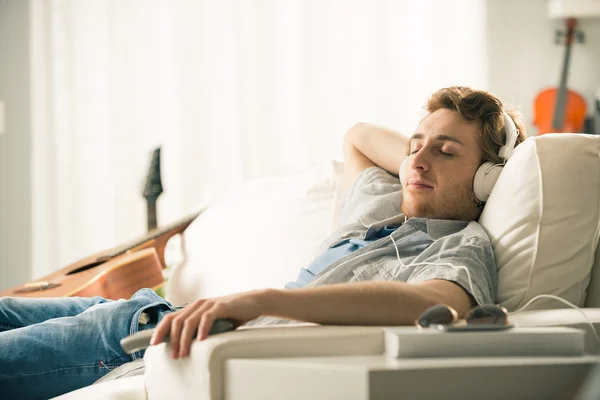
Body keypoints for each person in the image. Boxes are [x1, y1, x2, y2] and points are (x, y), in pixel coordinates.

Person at [0, 86, 526, 398]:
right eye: (415, 145)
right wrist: (426, 155)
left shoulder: (462, 245)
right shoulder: (379, 200)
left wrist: (260, 300)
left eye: (448, 151)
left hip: (144, 339)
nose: (418, 159)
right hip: (138, 310)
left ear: (486, 180)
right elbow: (359, 135)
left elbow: (433, 302)